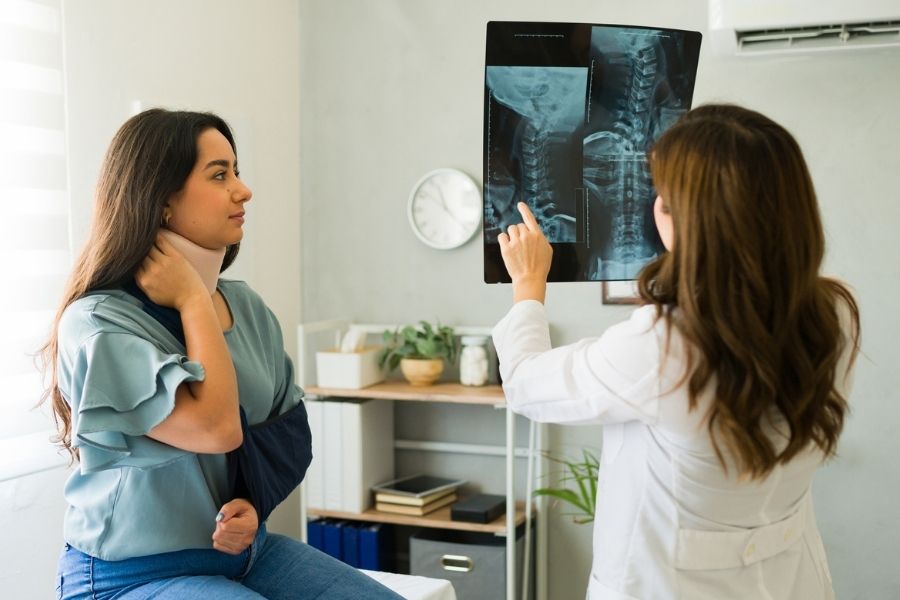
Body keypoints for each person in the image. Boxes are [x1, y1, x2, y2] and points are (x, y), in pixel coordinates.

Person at [493, 104, 860, 599]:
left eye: (664, 200)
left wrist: (528, 287)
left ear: (697, 224)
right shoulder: (835, 314)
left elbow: (524, 383)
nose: (653, 209)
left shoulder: (664, 344)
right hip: (790, 582)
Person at [42, 109, 403, 599]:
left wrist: (253, 503)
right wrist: (192, 299)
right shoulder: (98, 323)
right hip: (132, 575)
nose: (243, 189)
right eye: (219, 174)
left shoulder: (246, 306)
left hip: (247, 557)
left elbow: (287, 436)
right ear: (161, 200)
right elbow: (217, 428)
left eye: (237, 170)